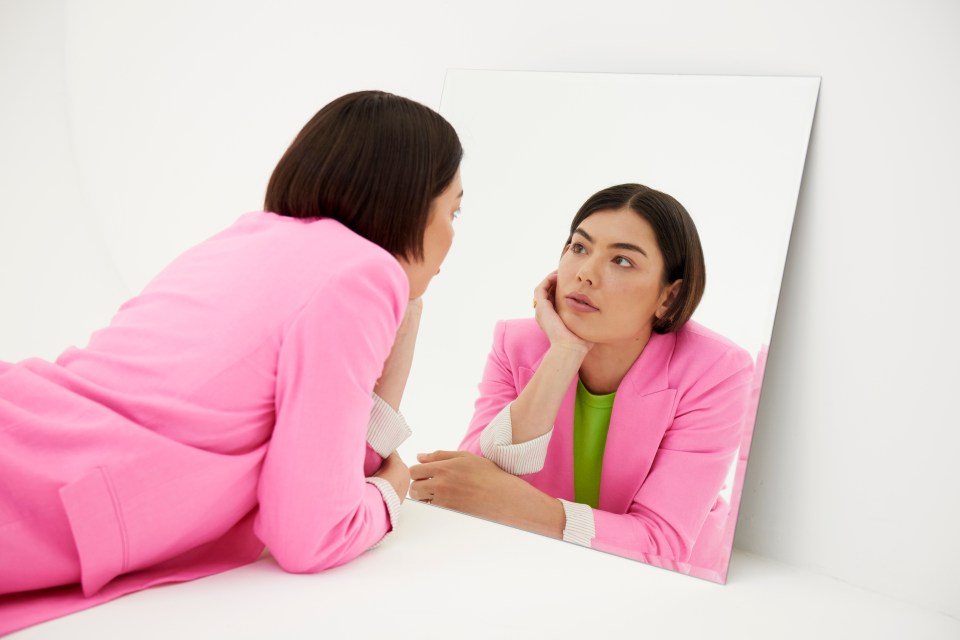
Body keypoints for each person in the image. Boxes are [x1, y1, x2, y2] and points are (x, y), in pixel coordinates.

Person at [0, 90, 463, 634]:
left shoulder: (250, 238)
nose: (454, 236)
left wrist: (407, 315)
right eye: (453, 210)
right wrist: (390, 494)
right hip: (44, 486)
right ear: (409, 201)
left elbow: (330, 464)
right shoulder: (362, 274)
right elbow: (312, 531)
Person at [409, 183, 752, 579]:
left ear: (670, 298)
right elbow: (470, 489)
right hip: (539, 567)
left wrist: (531, 510)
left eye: (622, 260)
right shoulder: (516, 344)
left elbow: (663, 543)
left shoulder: (716, 370)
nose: (585, 274)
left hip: (666, 588)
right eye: (579, 248)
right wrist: (564, 353)